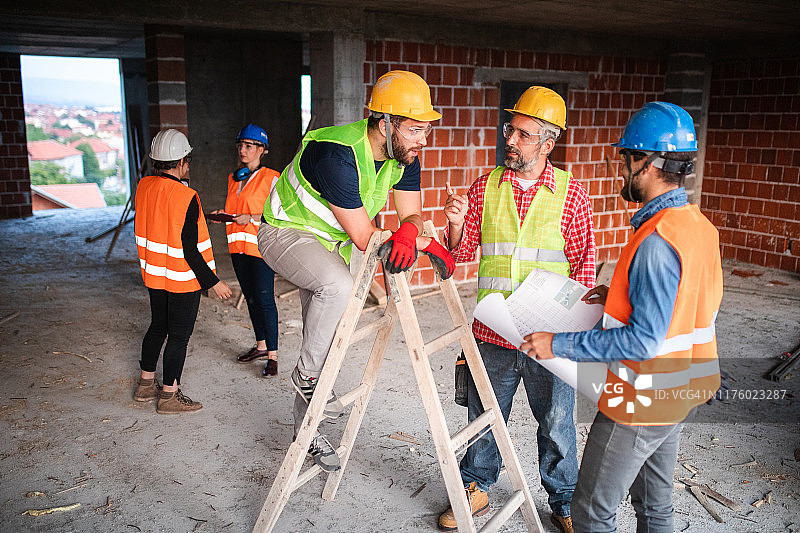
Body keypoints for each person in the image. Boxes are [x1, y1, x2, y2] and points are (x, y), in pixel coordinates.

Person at [521, 102, 722, 533]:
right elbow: (685, 303)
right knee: (655, 507)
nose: (621, 170)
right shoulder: (697, 227)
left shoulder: (656, 241)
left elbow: (644, 341)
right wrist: (617, 295)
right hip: (681, 388)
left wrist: (557, 344)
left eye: (626, 158)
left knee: (592, 511)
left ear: (647, 162)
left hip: (643, 398)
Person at [258, 70, 455, 472]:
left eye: (426, 129)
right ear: (385, 124)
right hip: (285, 231)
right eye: (415, 129)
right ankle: (306, 380)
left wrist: (410, 232)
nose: (423, 139)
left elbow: (412, 215)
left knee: (326, 339)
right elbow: (366, 238)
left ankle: (305, 434)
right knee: (338, 287)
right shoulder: (337, 155)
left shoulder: (404, 156)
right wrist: (423, 242)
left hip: (332, 242)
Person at [439, 86, 596, 533]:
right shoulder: (485, 187)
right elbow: (460, 253)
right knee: (484, 418)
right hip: (493, 333)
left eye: (523, 134)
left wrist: (573, 336)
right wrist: (455, 224)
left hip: (549, 339)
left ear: (548, 144)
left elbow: (584, 271)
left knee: (558, 424)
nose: (510, 139)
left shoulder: (572, 195)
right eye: (511, 129)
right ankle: (475, 485)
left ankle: (564, 501)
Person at [133, 129, 232, 414]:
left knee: (157, 326)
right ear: (180, 162)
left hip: (155, 275)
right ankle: (169, 397)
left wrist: (201, 218)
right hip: (182, 280)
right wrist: (213, 282)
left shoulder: (143, 187)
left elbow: (163, 221)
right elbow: (189, 250)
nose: (188, 164)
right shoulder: (187, 196)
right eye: (188, 159)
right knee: (178, 336)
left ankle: (145, 385)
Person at [210, 124, 281, 376]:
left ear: (262, 150)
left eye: (249, 146)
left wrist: (250, 217)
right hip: (238, 248)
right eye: (241, 145)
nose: (243, 150)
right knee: (250, 297)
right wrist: (224, 214)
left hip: (261, 248)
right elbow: (235, 209)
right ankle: (260, 346)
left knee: (264, 299)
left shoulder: (272, 177)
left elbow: (280, 214)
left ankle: (272, 356)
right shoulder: (234, 178)